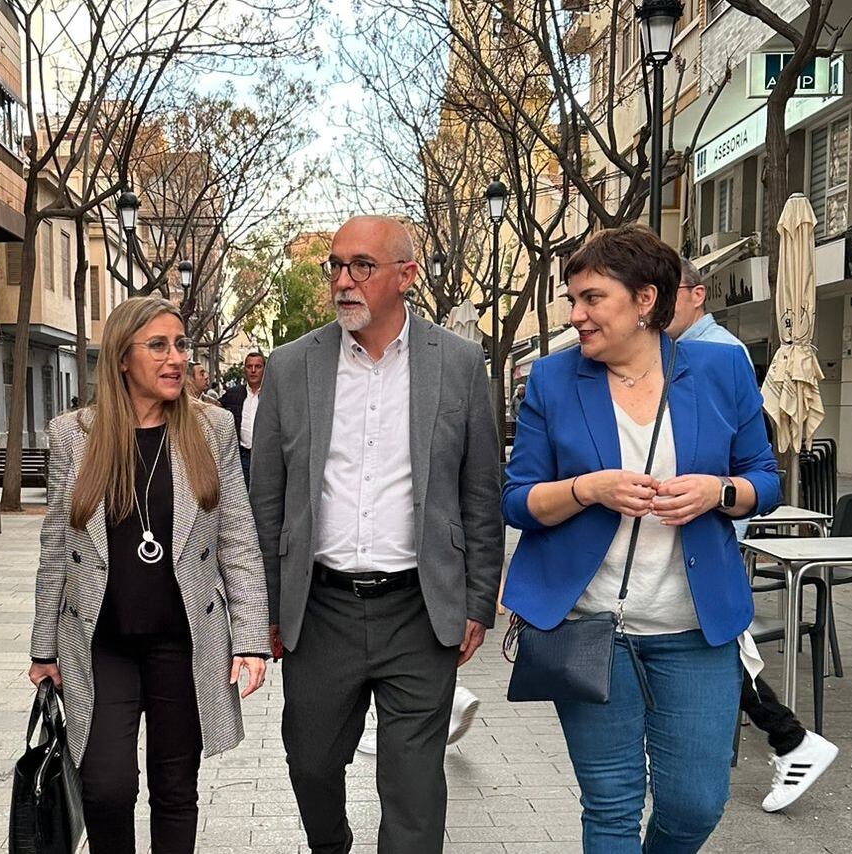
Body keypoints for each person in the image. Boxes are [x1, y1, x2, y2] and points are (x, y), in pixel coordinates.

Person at [501, 224, 779, 852]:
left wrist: (718, 492)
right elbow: (517, 501)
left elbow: (766, 479)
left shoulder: (720, 367)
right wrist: (587, 489)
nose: (577, 315)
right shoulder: (552, 380)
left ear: (645, 300)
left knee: (696, 803)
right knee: (611, 805)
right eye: (573, 299)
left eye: (592, 298)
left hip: (693, 630)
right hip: (588, 627)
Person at [249, 216, 504, 853]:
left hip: (419, 609)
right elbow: (268, 502)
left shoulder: (460, 363)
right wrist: (265, 610)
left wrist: (477, 601)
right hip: (321, 608)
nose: (343, 280)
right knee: (310, 763)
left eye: (361, 266)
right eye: (335, 265)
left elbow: (480, 492)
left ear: (406, 275)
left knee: (415, 794)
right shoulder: (289, 367)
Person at [28, 296, 269, 854]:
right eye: (158, 345)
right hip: (100, 643)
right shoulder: (74, 434)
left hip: (183, 643)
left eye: (180, 344)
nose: (175, 358)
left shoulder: (211, 428)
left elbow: (237, 537)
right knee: (105, 786)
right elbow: (56, 548)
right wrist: (43, 646)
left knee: (175, 789)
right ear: (120, 357)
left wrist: (252, 639)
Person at [668, 258, 838, 812]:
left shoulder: (720, 353)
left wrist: (721, 504)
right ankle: (789, 740)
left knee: (718, 641)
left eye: (668, 295)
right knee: (718, 641)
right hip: (696, 526)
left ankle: (789, 740)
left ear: (698, 296)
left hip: (711, 526)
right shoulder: (675, 351)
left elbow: (747, 458)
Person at [218, 351, 265, 485]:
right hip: (241, 457)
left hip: (266, 458)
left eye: (258, 366)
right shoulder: (234, 394)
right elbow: (215, 408)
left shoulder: (272, 394)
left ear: (264, 369)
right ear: (244, 369)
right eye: (249, 366)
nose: (253, 370)